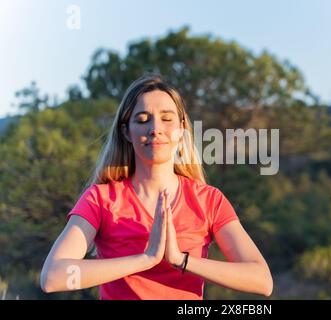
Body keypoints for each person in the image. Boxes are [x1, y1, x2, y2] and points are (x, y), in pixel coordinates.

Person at [40, 74, 273, 300]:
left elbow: (262, 281)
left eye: (167, 118)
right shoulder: (100, 199)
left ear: (181, 130)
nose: (155, 128)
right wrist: (146, 258)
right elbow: (52, 278)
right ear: (126, 132)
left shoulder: (208, 200)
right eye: (142, 119)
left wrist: (181, 260)